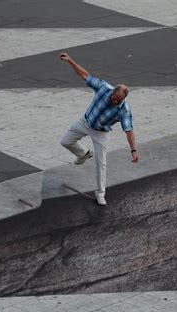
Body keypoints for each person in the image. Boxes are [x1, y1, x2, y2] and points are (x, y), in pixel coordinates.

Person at [59, 52, 139, 206]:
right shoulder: (103, 88)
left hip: (100, 132)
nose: (115, 102)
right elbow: (85, 75)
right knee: (65, 141)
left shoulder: (124, 109)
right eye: (114, 98)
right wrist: (70, 61)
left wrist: (133, 150)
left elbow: (129, 130)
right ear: (112, 92)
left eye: (118, 101)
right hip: (85, 121)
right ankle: (83, 153)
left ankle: (100, 193)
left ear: (124, 99)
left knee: (101, 163)